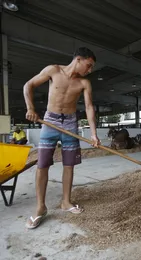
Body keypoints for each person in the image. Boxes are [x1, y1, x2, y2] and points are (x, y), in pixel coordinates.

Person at [23, 47, 100, 229]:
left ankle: (66, 202)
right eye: (88, 66)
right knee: (42, 165)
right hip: (50, 120)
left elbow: (89, 107)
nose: (89, 70)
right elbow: (28, 85)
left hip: (70, 123)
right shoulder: (53, 70)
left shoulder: (84, 83)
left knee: (69, 164)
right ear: (79, 59)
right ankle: (40, 207)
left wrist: (93, 133)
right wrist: (30, 108)